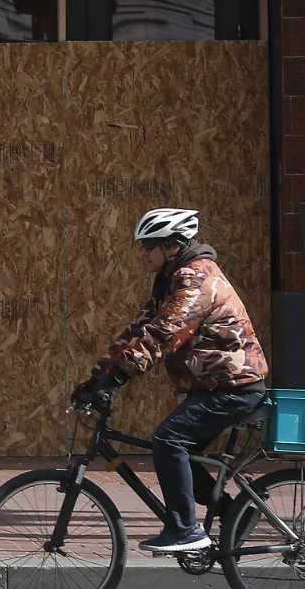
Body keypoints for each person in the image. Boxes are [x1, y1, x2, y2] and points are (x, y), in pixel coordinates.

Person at [72, 207, 268, 554]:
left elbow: (164, 334)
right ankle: (234, 513)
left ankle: (185, 530)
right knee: (183, 453)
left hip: (233, 387)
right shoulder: (172, 278)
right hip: (218, 386)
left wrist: (117, 378)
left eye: (148, 245)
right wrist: (97, 377)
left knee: (168, 440)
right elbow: (139, 329)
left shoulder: (196, 278)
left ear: (172, 245)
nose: (142, 253)